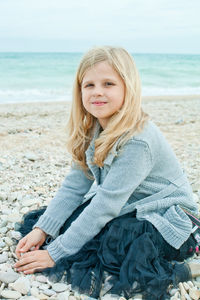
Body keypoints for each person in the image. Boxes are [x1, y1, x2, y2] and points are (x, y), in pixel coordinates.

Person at [14, 46, 199, 300]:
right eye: (89, 85)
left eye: (108, 83)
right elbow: (74, 187)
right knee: (66, 225)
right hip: (130, 206)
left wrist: (54, 254)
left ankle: (178, 271)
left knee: (115, 245)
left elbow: (105, 205)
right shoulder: (92, 128)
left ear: (128, 88)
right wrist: (43, 230)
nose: (97, 91)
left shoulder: (138, 140)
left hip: (167, 217)